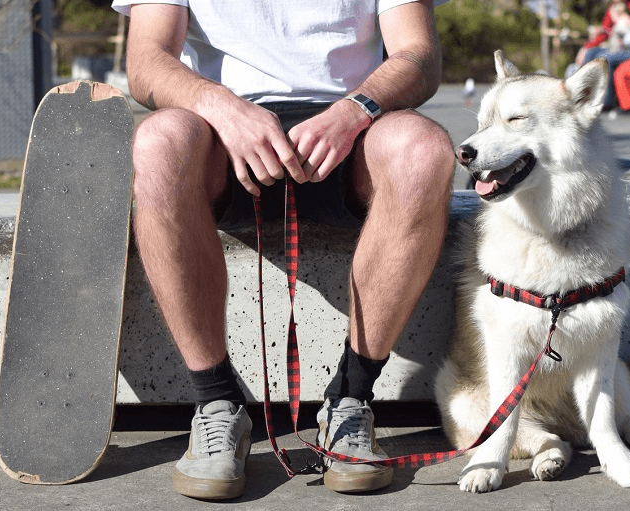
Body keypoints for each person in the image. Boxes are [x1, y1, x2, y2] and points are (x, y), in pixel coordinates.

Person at [110, 0, 454, 501]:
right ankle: (217, 406)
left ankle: (350, 403)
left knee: (424, 150)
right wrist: (223, 107)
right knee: (158, 142)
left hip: (352, 129)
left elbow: (419, 55)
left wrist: (355, 110)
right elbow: (146, 61)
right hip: (223, 132)